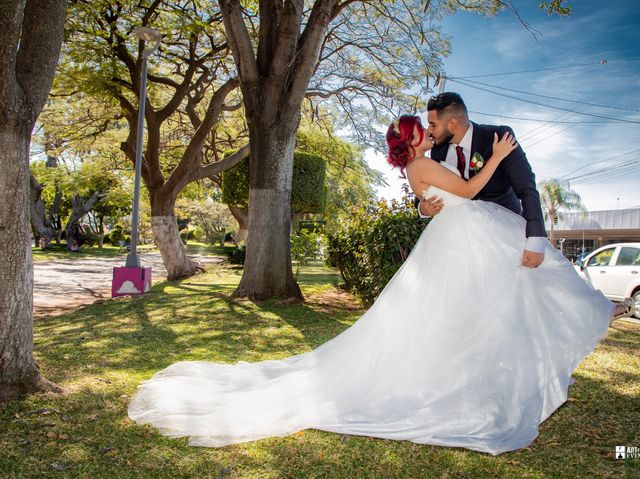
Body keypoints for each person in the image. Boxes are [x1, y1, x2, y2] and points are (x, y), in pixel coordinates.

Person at [128, 115, 633, 456]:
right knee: (496, 301)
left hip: (462, 237)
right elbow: (473, 188)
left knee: (492, 303)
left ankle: (579, 320)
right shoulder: (425, 163)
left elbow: (439, 196)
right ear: (415, 141)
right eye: (425, 128)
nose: (431, 130)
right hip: (464, 239)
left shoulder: (421, 166)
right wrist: (498, 157)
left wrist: (430, 200)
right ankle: (588, 316)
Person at [417, 92, 546, 269]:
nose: (429, 131)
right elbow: (426, 185)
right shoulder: (437, 151)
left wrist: (536, 238)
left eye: (433, 125)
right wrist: (422, 207)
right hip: (460, 246)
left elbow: (526, 187)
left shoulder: (498, 137)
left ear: (452, 124)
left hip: (506, 238)